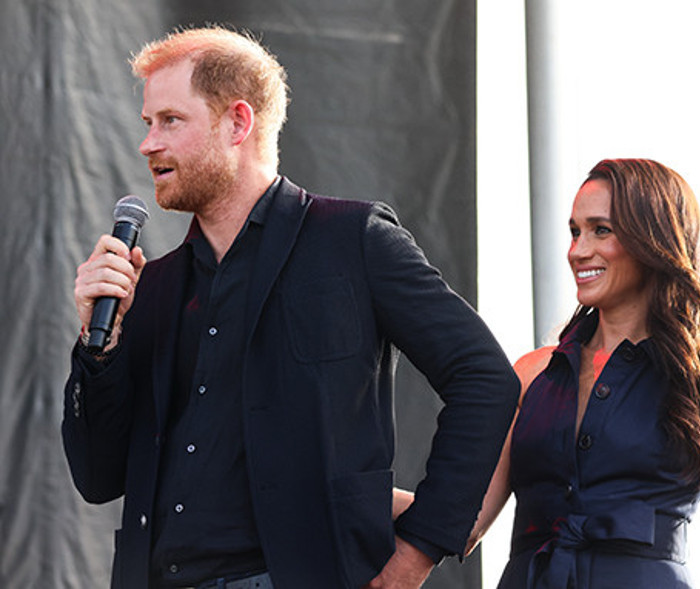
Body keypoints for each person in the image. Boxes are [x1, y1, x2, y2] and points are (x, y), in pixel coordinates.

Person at [61, 25, 519, 589]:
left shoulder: (352, 240)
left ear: (238, 122)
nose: (148, 143)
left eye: (170, 121)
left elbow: (485, 378)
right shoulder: (150, 288)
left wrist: (418, 550)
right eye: (148, 124)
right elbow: (98, 476)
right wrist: (96, 346)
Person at [464, 159, 700, 588]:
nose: (578, 251)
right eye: (574, 231)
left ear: (654, 239)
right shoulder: (531, 374)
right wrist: (342, 489)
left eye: (601, 230)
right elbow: (463, 522)